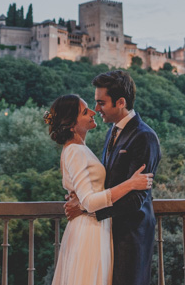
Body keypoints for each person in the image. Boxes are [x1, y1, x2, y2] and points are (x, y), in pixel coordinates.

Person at [65, 70, 162, 285]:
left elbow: (136, 199)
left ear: (120, 102)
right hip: (107, 233)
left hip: (130, 237)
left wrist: (85, 208)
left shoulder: (144, 137)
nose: (96, 108)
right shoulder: (112, 132)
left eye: (101, 103)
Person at [46, 94, 153, 285]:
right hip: (89, 231)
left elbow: (86, 194)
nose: (93, 112)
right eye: (85, 112)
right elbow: (89, 202)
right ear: (71, 125)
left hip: (96, 227)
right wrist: (131, 184)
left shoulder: (80, 148)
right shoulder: (75, 151)